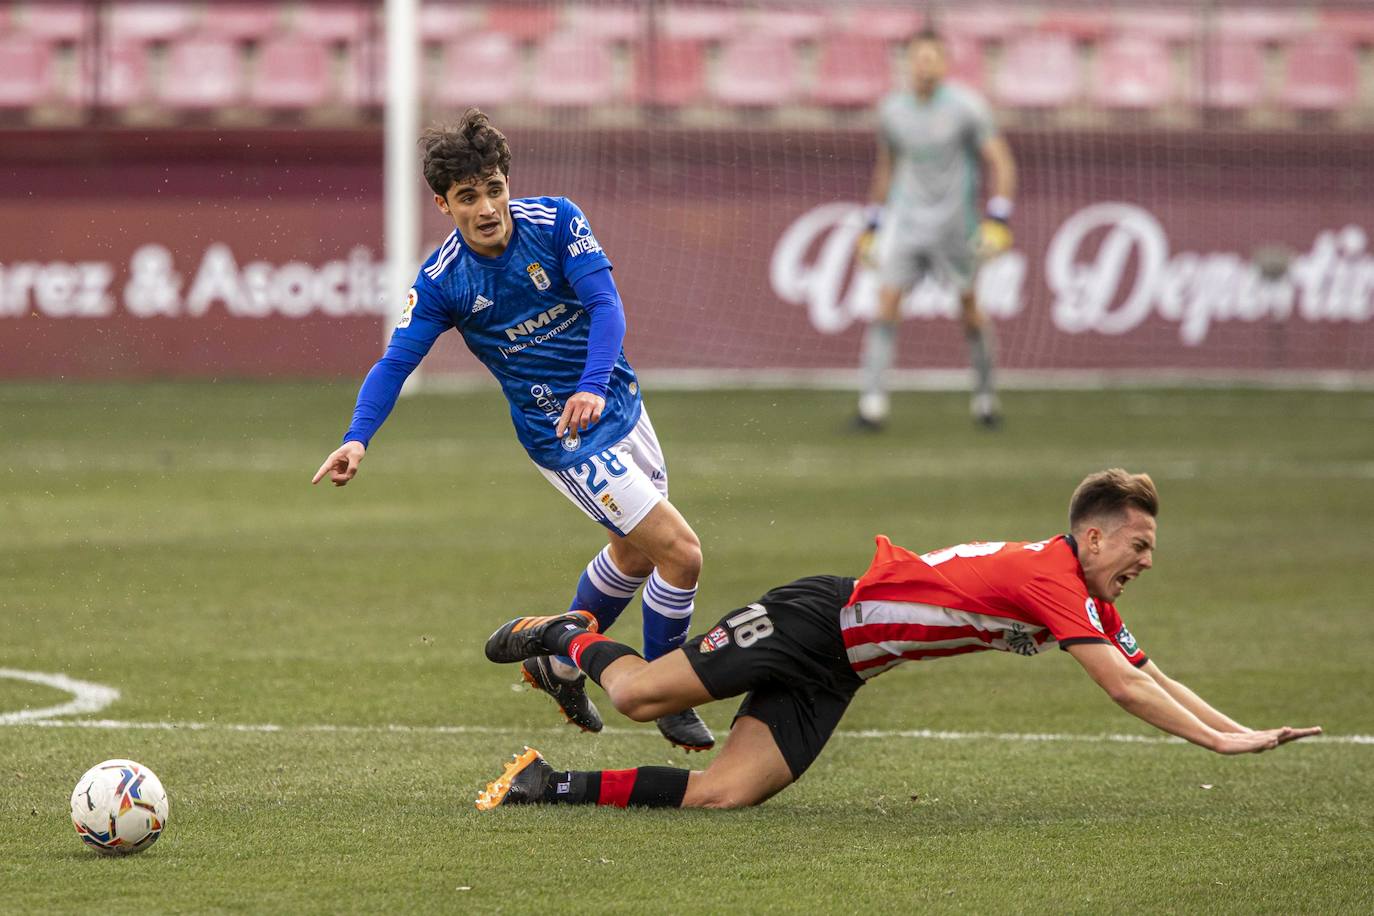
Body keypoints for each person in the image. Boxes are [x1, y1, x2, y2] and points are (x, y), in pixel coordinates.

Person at [475, 469, 1320, 810]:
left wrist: (1234, 729)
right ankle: (566, 635)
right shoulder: (1051, 577)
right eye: (1139, 548)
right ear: (1094, 538)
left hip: (841, 672)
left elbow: (1150, 669)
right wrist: (1217, 744)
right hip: (816, 618)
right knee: (635, 695)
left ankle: (543, 786)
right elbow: (1126, 690)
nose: (1145, 564)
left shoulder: (1080, 595)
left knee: (724, 795)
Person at [312, 109, 713, 751]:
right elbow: (395, 362)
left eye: (494, 188)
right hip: (564, 437)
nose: (488, 206)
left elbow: (607, 308)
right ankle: (670, 693)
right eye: (468, 197)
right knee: (682, 554)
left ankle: (555, 663)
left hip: (618, 404)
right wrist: (358, 436)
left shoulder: (556, 221)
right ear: (444, 205)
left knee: (637, 554)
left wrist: (592, 384)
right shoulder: (444, 280)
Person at [855, 28, 1018, 430]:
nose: (924, 64)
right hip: (908, 225)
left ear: (944, 64)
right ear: (908, 62)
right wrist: (873, 223)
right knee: (886, 304)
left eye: (932, 58)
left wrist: (998, 218)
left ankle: (985, 399)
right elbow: (886, 168)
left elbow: (1001, 161)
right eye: (918, 57)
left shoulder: (967, 108)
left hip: (953, 227)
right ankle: (871, 406)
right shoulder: (892, 111)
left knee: (969, 311)